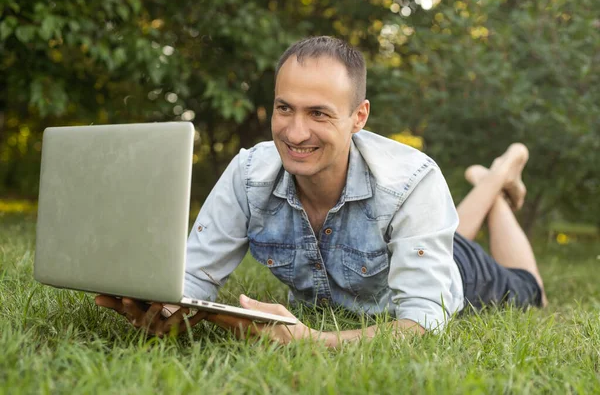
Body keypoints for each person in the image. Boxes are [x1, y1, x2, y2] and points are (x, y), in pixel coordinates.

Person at [96, 36, 546, 347]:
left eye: (318, 114)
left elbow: (425, 324)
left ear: (360, 116)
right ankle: (492, 179)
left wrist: (314, 341)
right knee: (447, 231)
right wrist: (161, 307)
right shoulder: (250, 173)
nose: (295, 132)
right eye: (284, 108)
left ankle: (499, 180)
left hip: (457, 271)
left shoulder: (412, 181)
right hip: (415, 239)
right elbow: (193, 277)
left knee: (530, 290)